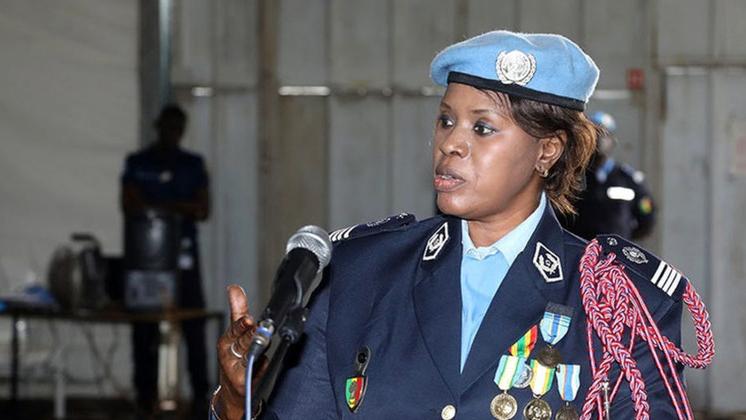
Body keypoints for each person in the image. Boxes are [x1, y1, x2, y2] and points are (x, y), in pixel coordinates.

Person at [212, 31, 711, 419]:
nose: (450, 143)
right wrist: (235, 401)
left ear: (547, 150)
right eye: (446, 121)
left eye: (483, 127)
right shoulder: (358, 273)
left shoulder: (618, 301)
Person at [120, 104, 210, 414]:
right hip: (146, 261)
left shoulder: (193, 164)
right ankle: (144, 398)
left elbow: (202, 209)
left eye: (177, 128)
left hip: (183, 259)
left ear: (182, 131)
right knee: (144, 328)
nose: (172, 133)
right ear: (158, 127)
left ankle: (201, 398)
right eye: (167, 127)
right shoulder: (138, 162)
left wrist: (157, 204)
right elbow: (129, 203)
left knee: (193, 326)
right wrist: (178, 206)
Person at [560, 111, 656, 240]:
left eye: (604, 135)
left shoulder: (628, 180)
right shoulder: (570, 177)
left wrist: (623, 239)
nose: (599, 140)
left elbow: (647, 218)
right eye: (594, 134)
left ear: (613, 141)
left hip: (615, 251)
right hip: (579, 250)